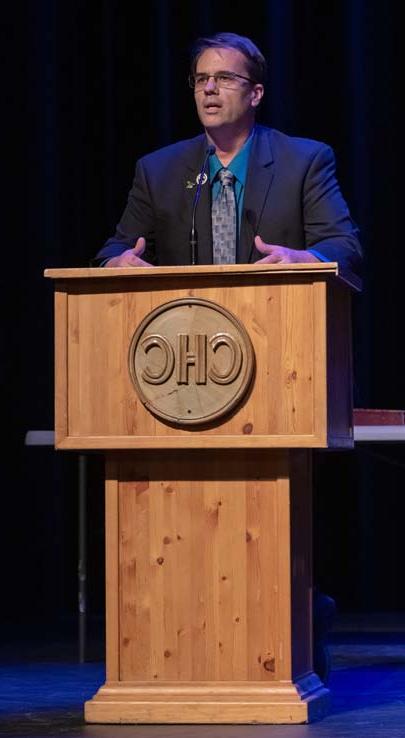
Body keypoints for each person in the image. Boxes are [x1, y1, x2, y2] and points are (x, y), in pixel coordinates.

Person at [91, 31, 362, 274]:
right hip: (188, 325)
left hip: (280, 318)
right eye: (201, 79)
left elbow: (343, 245)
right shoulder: (158, 171)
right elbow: (114, 252)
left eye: (224, 78)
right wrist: (117, 262)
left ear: (255, 94)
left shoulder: (303, 162)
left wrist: (302, 259)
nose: (209, 88)